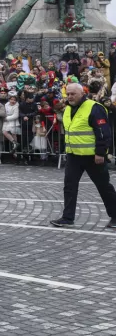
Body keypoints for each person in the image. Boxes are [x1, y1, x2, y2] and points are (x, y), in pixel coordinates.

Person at [50, 82, 116, 228]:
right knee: (69, 186)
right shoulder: (68, 109)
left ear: (82, 93)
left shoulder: (94, 108)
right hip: (74, 155)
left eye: (73, 94)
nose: (70, 96)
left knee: (103, 186)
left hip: (93, 156)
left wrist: (100, 153)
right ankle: (67, 218)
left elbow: (103, 133)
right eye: (68, 94)